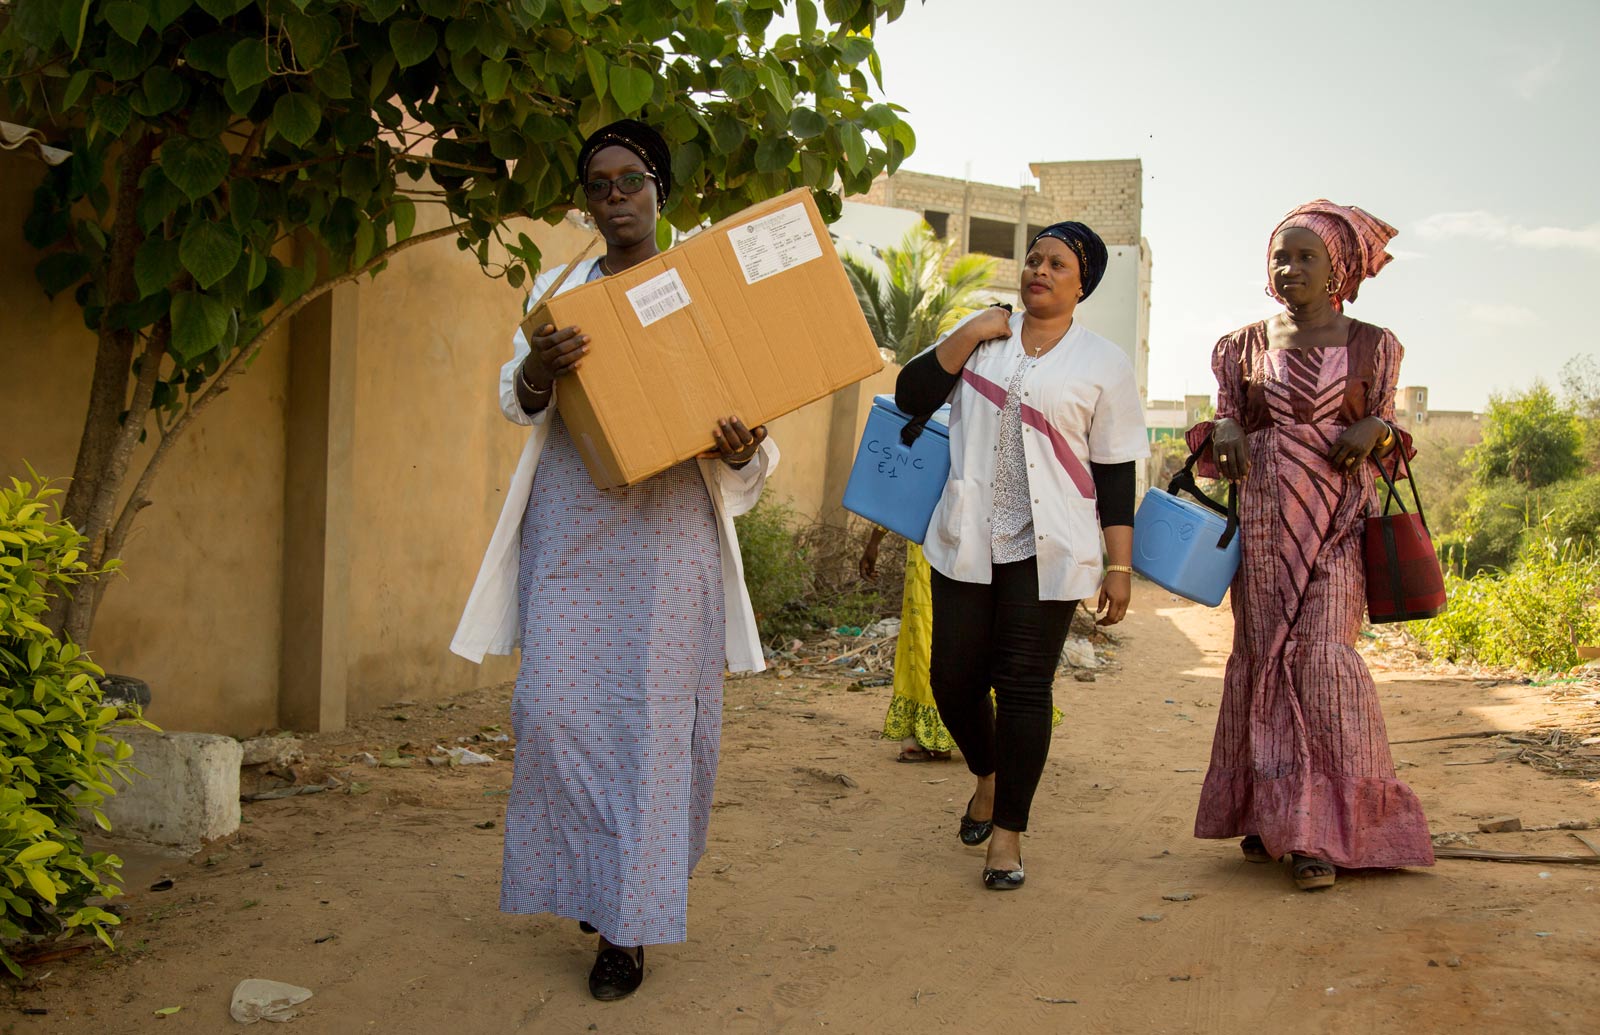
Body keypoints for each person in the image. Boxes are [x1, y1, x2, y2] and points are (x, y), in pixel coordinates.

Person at [450, 119, 779, 1000]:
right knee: (553, 713)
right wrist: (539, 373)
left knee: (650, 728)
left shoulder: (703, 291)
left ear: (660, 189)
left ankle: (626, 926)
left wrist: (744, 448)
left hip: (671, 534)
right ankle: (595, 875)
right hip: (572, 527)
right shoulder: (564, 289)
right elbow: (513, 400)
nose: (616, 197)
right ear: (586, 200)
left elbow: (755, 439)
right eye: (598, 184)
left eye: (631, 179)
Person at [1186, 199, 1434, 891]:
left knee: (1323, 661)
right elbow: (1227, 417)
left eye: (1305, 257)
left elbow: (1386, 423)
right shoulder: (1240, 346)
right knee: (1266, 661)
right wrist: (1227, 430)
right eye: (1280, 256)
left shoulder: (1374, 344)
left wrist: (1378, 428)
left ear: (1338, 271)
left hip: (1338, 528)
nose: (1288, 268)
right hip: (1265, 528)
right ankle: (1280, 821)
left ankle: (1324, 830)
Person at [894, 222, 1148, 890]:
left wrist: (1119, 565)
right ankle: (988, 772)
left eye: (1056, 263)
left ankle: (1007, 834)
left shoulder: (1103, 363)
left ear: (1081, 282)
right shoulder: (984, 341)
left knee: (1025, 685)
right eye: (1033, 258)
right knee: (952, 680)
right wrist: (971, 331)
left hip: (1050, 546)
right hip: (969, 535)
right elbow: (910, 395)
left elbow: (1117, 474)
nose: (1039, 269)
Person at [859, 527, 1065, 762]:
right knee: (944, 640)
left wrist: (875, 540)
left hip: (945, 548)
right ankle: (988, 734)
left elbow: (908, 492)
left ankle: (954, 737)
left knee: (932, 638)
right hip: (955, 545)